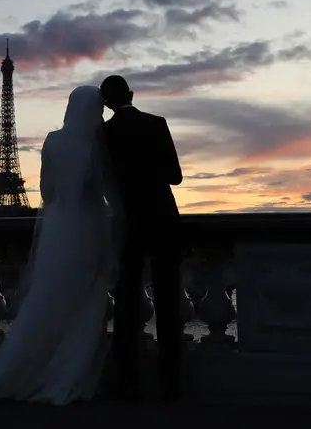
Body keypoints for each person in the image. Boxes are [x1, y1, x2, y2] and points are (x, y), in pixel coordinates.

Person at [0, 86, 123, 407]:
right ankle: (74, 373)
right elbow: (107, 190)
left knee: (51, 296)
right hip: (88, 229)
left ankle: (36, 366)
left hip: (60, 230)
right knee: (86, 301)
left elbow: (47, 190)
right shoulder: (100, 142)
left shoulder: (53, 140)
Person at [99, 74, 184, 402]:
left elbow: (103, 182)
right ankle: (170, 381)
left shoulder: (104, 134)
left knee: (127, 302)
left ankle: (127, 378)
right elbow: (175, 177)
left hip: (127, 221)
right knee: (168, 301)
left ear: (106, 103)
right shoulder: (157, 123)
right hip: (163, 218)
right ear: (132, 94)